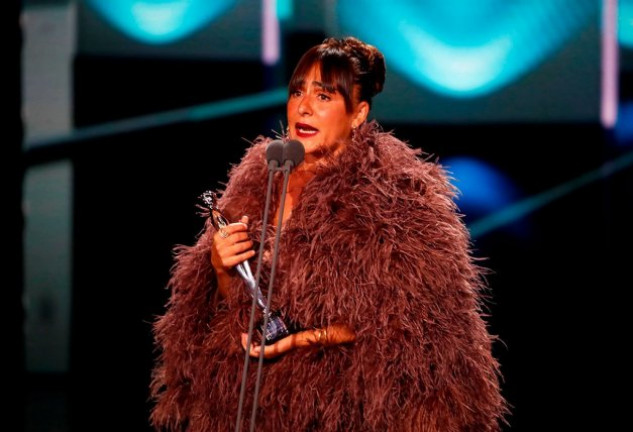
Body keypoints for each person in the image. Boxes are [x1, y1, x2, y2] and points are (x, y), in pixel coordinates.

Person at [149, 36, 508, 431]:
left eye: (323, 97)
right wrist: (220, 268)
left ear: (358, 114)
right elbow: (227, 314)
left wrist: (299, 341)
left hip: (343, 411)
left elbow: (409, 334)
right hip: (249, 408)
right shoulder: (257, 181)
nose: (303, 107)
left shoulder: (397, 198)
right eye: (297, 92)